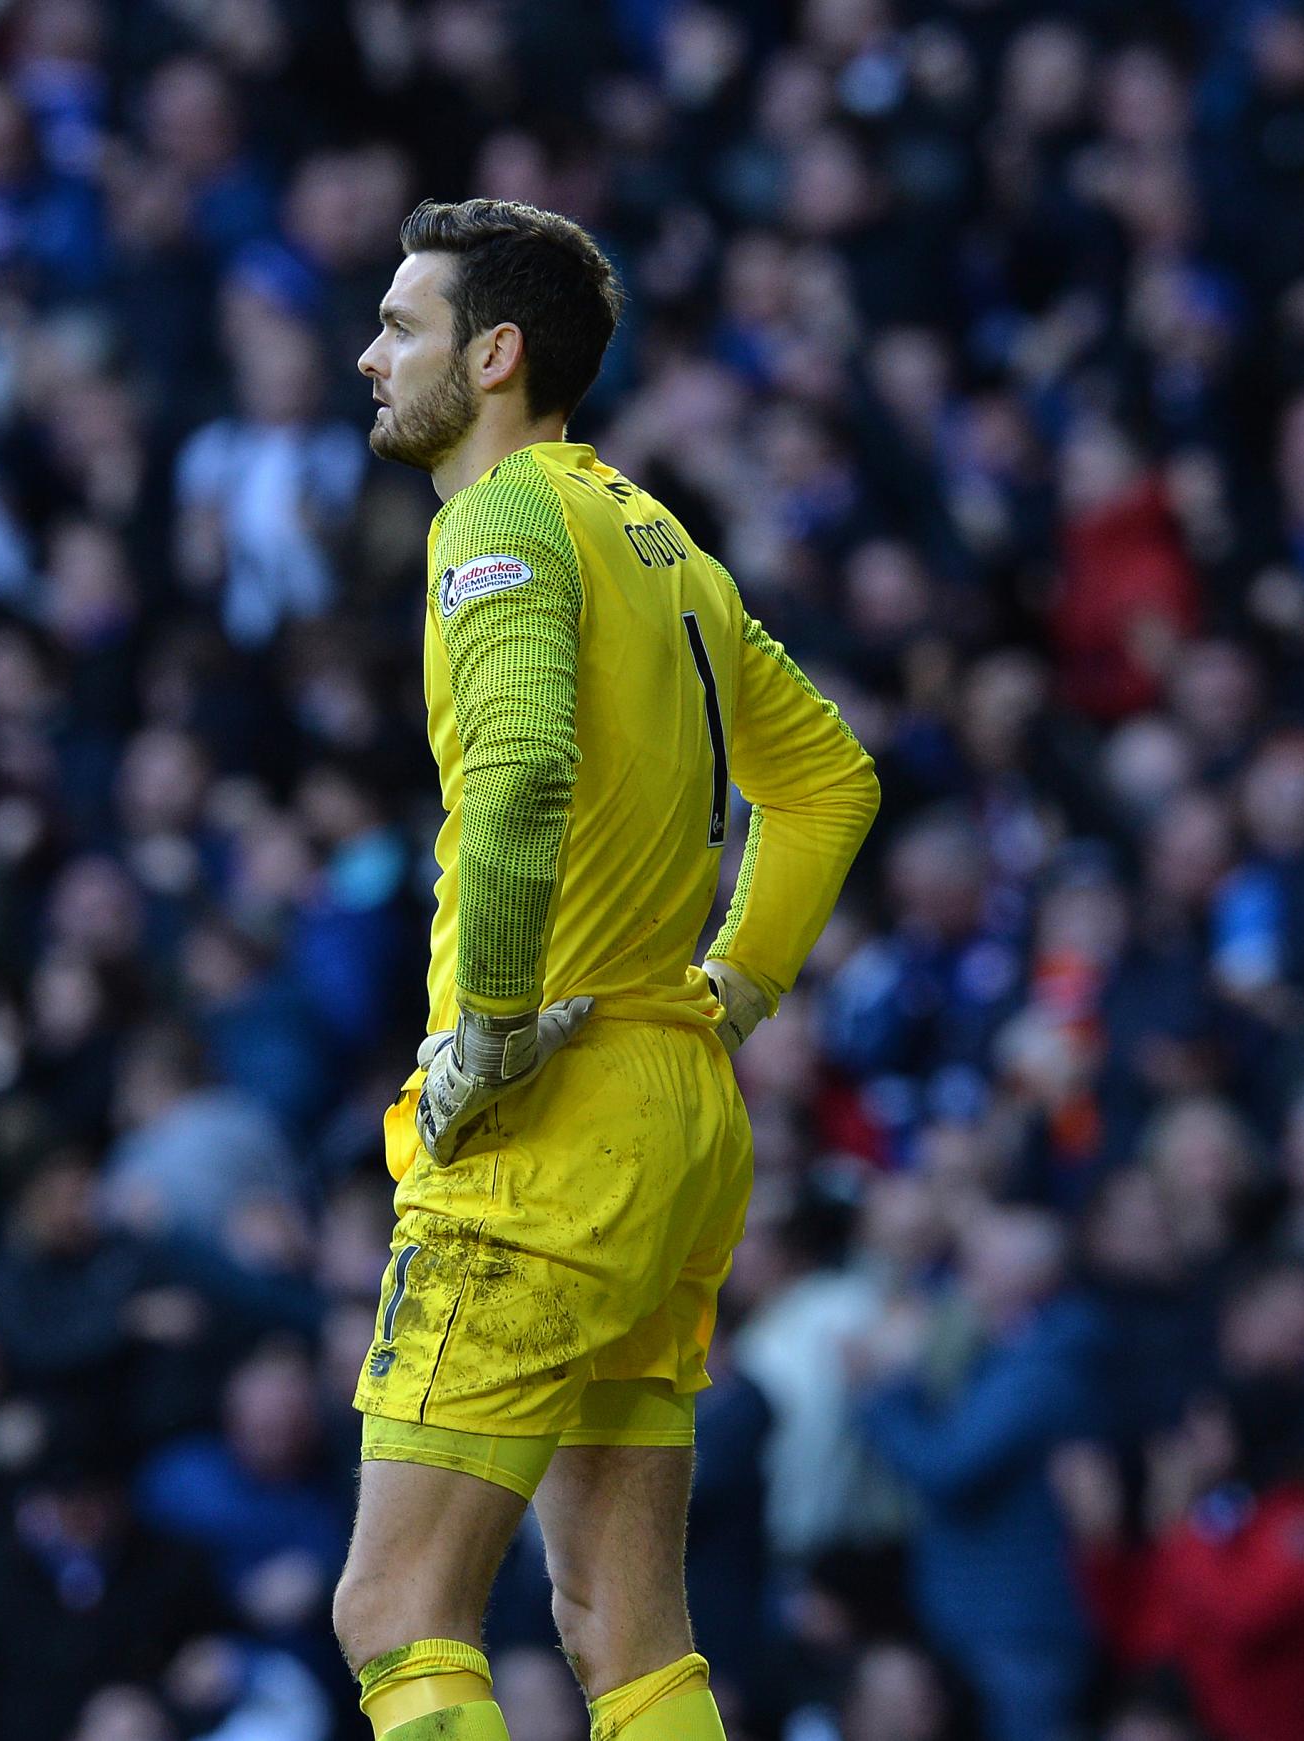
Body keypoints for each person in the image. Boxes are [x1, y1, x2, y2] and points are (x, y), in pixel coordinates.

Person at [329, 198, 879, 1741]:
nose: (369, 356)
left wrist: (491, 1026)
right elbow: (829, 777)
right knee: (622, 1627)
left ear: (494, 356)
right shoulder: (663, 541)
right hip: (679, 1114)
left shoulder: (498, 520)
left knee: (394, 1609)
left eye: (402, 326)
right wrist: (745, 983)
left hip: (549, 1119)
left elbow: (517, 782)